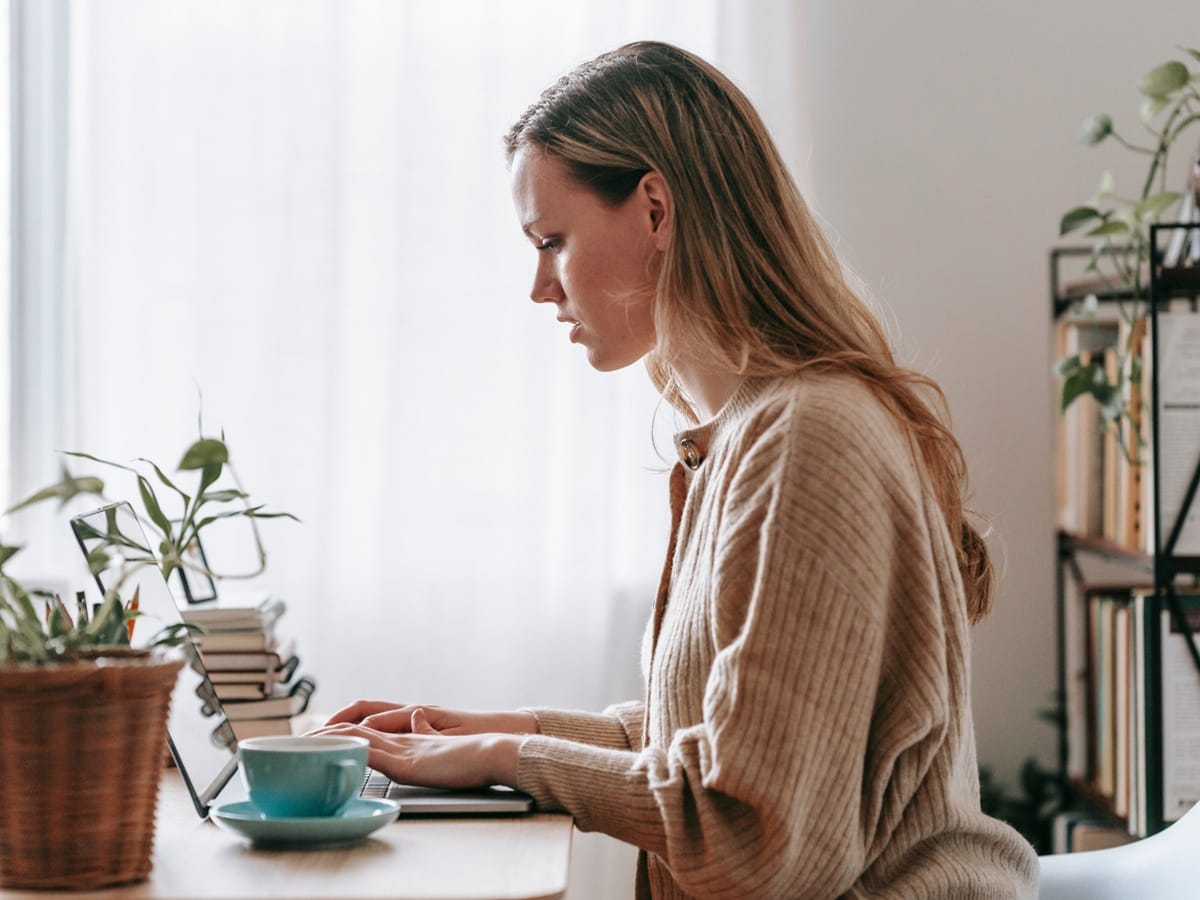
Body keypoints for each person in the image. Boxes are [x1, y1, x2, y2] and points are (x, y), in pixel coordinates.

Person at [319, 40, 1039, 899]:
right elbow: (715, 743)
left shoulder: (809, 437)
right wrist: (484, 733)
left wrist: (512, 758)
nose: (540, 289)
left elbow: (751, 836)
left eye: (552, 240)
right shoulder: (749, 430)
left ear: (655, 209)